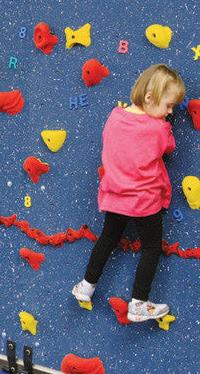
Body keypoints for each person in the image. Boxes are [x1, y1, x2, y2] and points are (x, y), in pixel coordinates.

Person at [72, 64, 186, 322]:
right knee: (152, 247)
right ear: (149, 98)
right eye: (168, 106)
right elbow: (168, 147)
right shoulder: (158, 129)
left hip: (114, 196)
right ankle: (139, 303)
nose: (170, 112)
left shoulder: (115, 115)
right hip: (143, 200)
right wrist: (164, 127)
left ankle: (86, 286)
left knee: (107, 239)